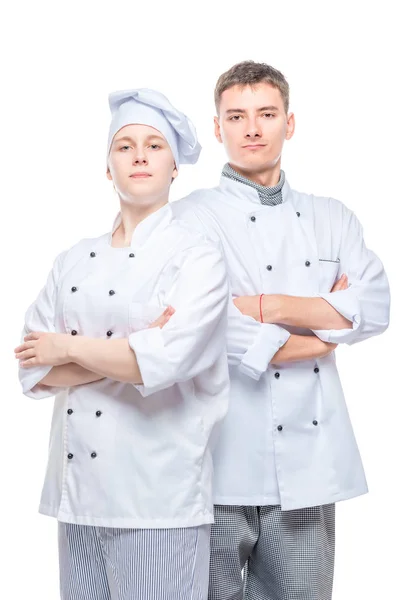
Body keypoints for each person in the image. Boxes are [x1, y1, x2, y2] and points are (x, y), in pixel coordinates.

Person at [172, 61, 390, 600]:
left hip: (310, 464)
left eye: (266, 114)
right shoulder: (189, 219)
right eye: (237, 116)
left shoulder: (331, 216)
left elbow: (377, 305)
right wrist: (322, 329)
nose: (252, 128)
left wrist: (269, 304)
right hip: (213, 462)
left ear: (289, 124)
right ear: (218, 126)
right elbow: (203, 323)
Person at [15, 88, 230, 600]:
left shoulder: (198, 258)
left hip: (159, 497)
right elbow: (33, 368)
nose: (138, 156)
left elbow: (164, 362)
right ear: (106, 167)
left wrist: (67, 348)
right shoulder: (72, 260)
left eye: (154, 146)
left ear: (175, 166)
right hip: (78, 501)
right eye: (124, 146)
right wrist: (134, 348)